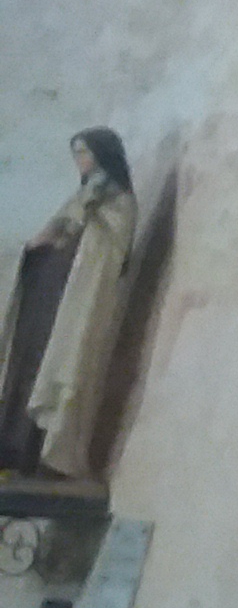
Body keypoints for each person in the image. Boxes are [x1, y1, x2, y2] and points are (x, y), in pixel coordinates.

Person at [8, 131, 137, 480]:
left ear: (103, 155)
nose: (79, 160)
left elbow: (110, 249)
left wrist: (86, 223)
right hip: (55, 297)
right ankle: (23, 452)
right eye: (76, 153)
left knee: (66, 369)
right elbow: (54, 233)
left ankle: (53, 457)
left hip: (80, 298)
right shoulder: (82, 197)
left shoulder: (118, 202)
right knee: (37, 367)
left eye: (84, 152)